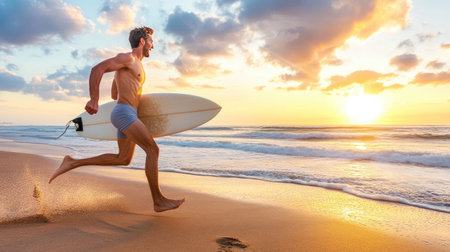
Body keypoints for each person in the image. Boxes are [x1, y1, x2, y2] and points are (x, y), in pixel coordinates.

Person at [48, 26, 185, 212]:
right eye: (151, 41)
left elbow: (114, 94)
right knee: (152, 150)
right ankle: (158, 200)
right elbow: (97, 69)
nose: (153, 45)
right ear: (142, 41)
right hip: (123, 113)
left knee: (123, 159)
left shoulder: (136, 65)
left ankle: (72, 162)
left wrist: (121, 81)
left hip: (127, 112)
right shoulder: (127, 58)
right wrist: (94, 99)